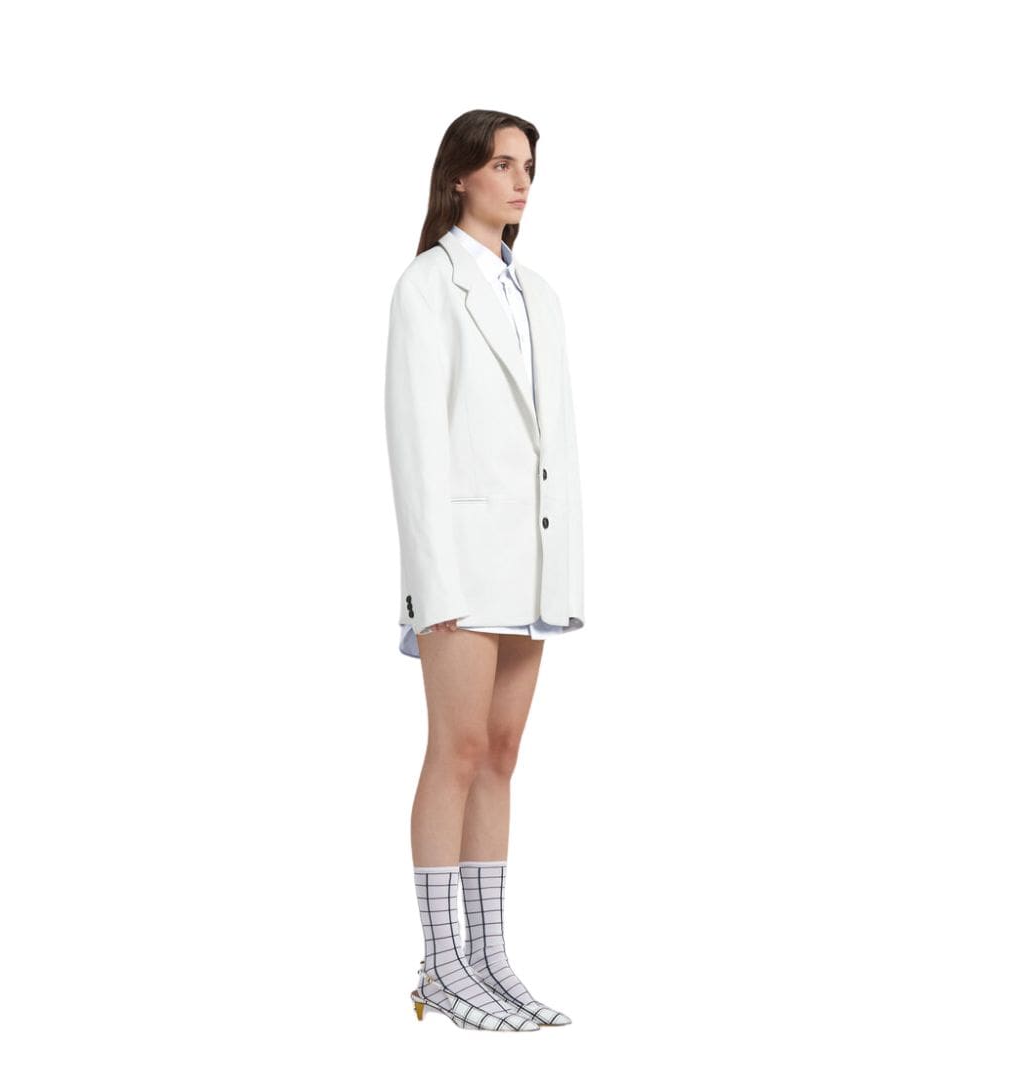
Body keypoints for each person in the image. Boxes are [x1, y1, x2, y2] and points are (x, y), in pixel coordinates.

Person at [384, 109, 585, 1031]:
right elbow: (416, 443)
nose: (521, 182)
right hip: (462, 564)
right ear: (460, 175)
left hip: (529, 564)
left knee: (502, 755)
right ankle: (440, 964)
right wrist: (432, 582)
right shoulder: (428, 285)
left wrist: (564, 572)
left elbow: (556, 447)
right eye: (502, 164)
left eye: (528, 167)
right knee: (457, 750)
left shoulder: (537, 293)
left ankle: (488, 956)